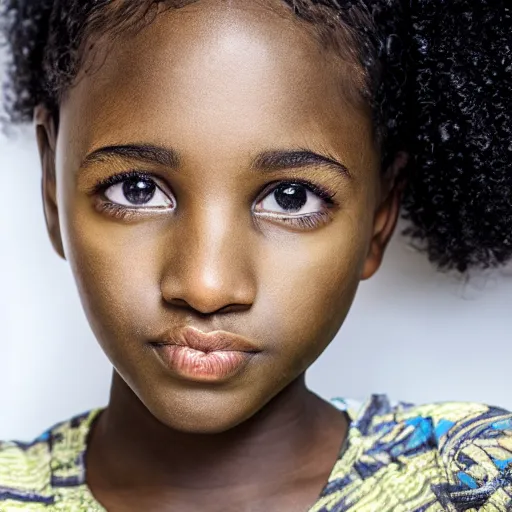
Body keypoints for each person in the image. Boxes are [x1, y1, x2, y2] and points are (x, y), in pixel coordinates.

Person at [1, 0, 511, 510]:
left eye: (291, 198)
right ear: (51, 184)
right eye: (136, 190)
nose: (207, 286)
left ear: (381, 213)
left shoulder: (478, 480)